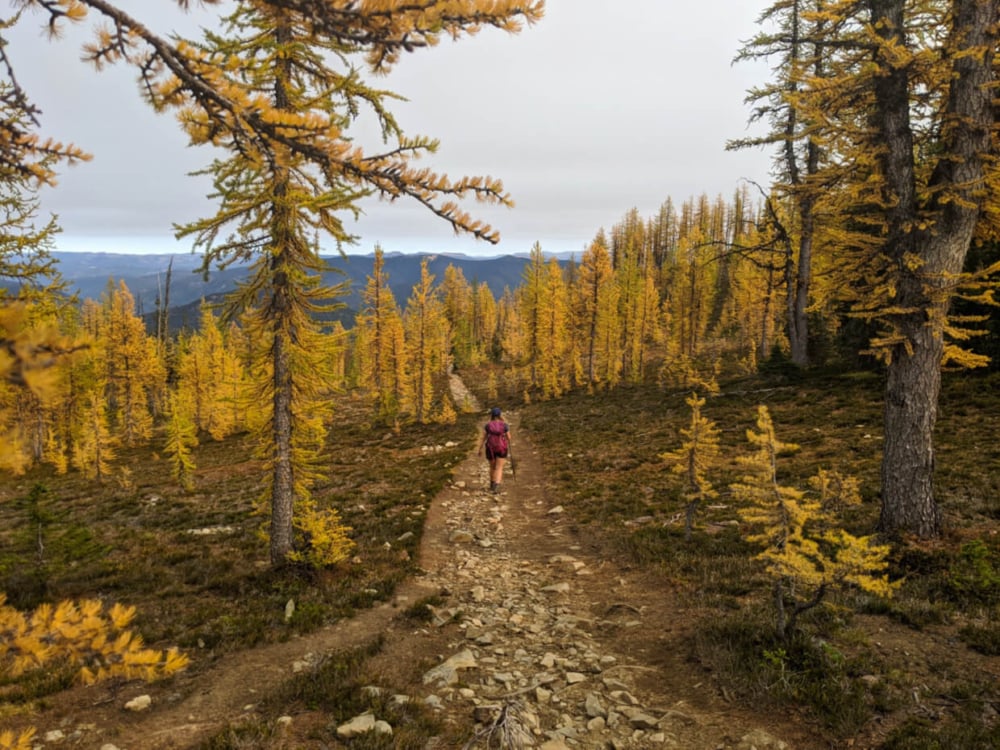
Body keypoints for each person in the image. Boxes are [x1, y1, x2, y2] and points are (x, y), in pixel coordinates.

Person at [479, 406, 511, 493]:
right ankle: (497, 485)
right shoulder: (504, 425)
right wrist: (504, 439)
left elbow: (483, 438)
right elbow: (509, 438)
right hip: (501, 448)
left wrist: (480, 448)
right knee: (499, 467)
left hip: (490, 448)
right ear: (500, 414)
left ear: (492, 415)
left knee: (492, 467)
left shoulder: (488, 425)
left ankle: (492, 484)